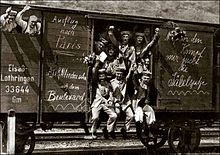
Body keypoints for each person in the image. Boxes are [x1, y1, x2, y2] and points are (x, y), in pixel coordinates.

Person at [89, 69, 117, 139]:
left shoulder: (108, 84)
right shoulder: (96, 84)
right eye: (100, 76)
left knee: (114, 116)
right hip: (97, 103)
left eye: (103, 76)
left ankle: (108, 130)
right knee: (95, 117)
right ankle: (93, 131)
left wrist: (110, 100)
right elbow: (99, 95)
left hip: (106, 103)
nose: (101, 78)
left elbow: (110, 94)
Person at [110, 65, 136, 139]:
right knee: (117, 114)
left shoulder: (124, 81)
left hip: (125, 101)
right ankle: (111, 130)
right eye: (118, 74)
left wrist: (131, 70)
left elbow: (128, 76)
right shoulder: (112, 82)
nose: (119, 75)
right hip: (116, 101)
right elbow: (111, 93)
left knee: (131, 115)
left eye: (120, 74)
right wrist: (114, 101)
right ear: (115, 74)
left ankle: (124, 129)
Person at [133, 70, 156, 138]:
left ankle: (150, 130)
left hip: (144, 104)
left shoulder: (149, 86)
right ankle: (140, 132)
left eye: (147, 78)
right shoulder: (138, 86)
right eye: (145, 78)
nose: (146, 80)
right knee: (139, 114)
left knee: (150, 112)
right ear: (142, 78)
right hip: (137, 103)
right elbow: (134, 97)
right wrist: (134, 107)